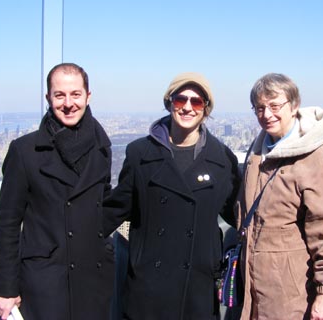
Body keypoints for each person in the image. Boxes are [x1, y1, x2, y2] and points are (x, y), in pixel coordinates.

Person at [103, 72, 241, 320]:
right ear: (169, 103)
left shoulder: (221, 159)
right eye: (181, 100)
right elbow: (114, 210)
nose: (187, 107)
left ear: (206, 110)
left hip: (197, 290)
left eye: (197, 102)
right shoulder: (140, 154)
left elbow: (238, 214)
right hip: (148, 289)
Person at [0, 63, 114, 320]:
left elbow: (103, 205)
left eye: (76, 94)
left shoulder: (101, 146)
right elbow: (8, 224)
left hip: (92, 280)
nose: (68, 103)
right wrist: (5, 289)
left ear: (88, 96)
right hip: (44, 283)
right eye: (60, 95)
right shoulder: (24, 151)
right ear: (48, 98)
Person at [237, 73, 323, 320]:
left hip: (294, 291)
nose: (267, 114)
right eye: (259, 108)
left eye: (275, 105)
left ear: (294, 105)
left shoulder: (317, 154)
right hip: (254, 288)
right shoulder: (258, 151)